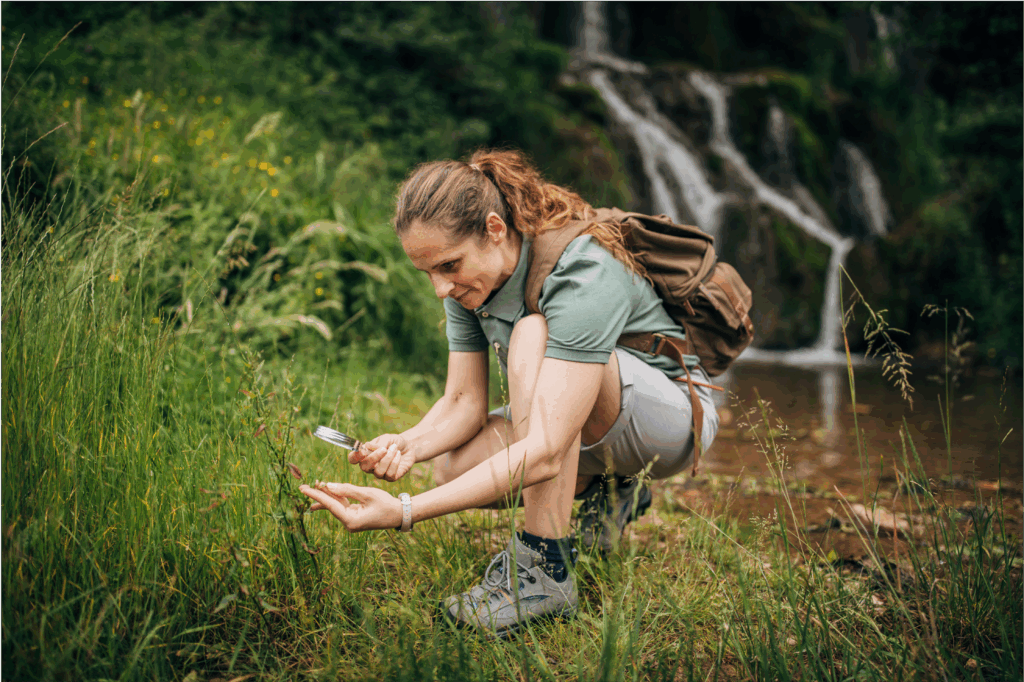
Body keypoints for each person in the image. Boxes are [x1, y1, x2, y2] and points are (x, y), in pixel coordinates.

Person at [300, 149, 719, 637]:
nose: (440, 288)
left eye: (449, 265)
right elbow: (463, 404)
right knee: (449, 466)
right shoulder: (468, 282)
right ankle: (613, 488)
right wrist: (407, 445)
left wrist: (405, 512)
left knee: (530, 336)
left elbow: (542, 453)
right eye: (428, 273)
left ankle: (544, 569)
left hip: (670, 421)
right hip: (581, 422)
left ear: (495, 229)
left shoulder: (582, 269)